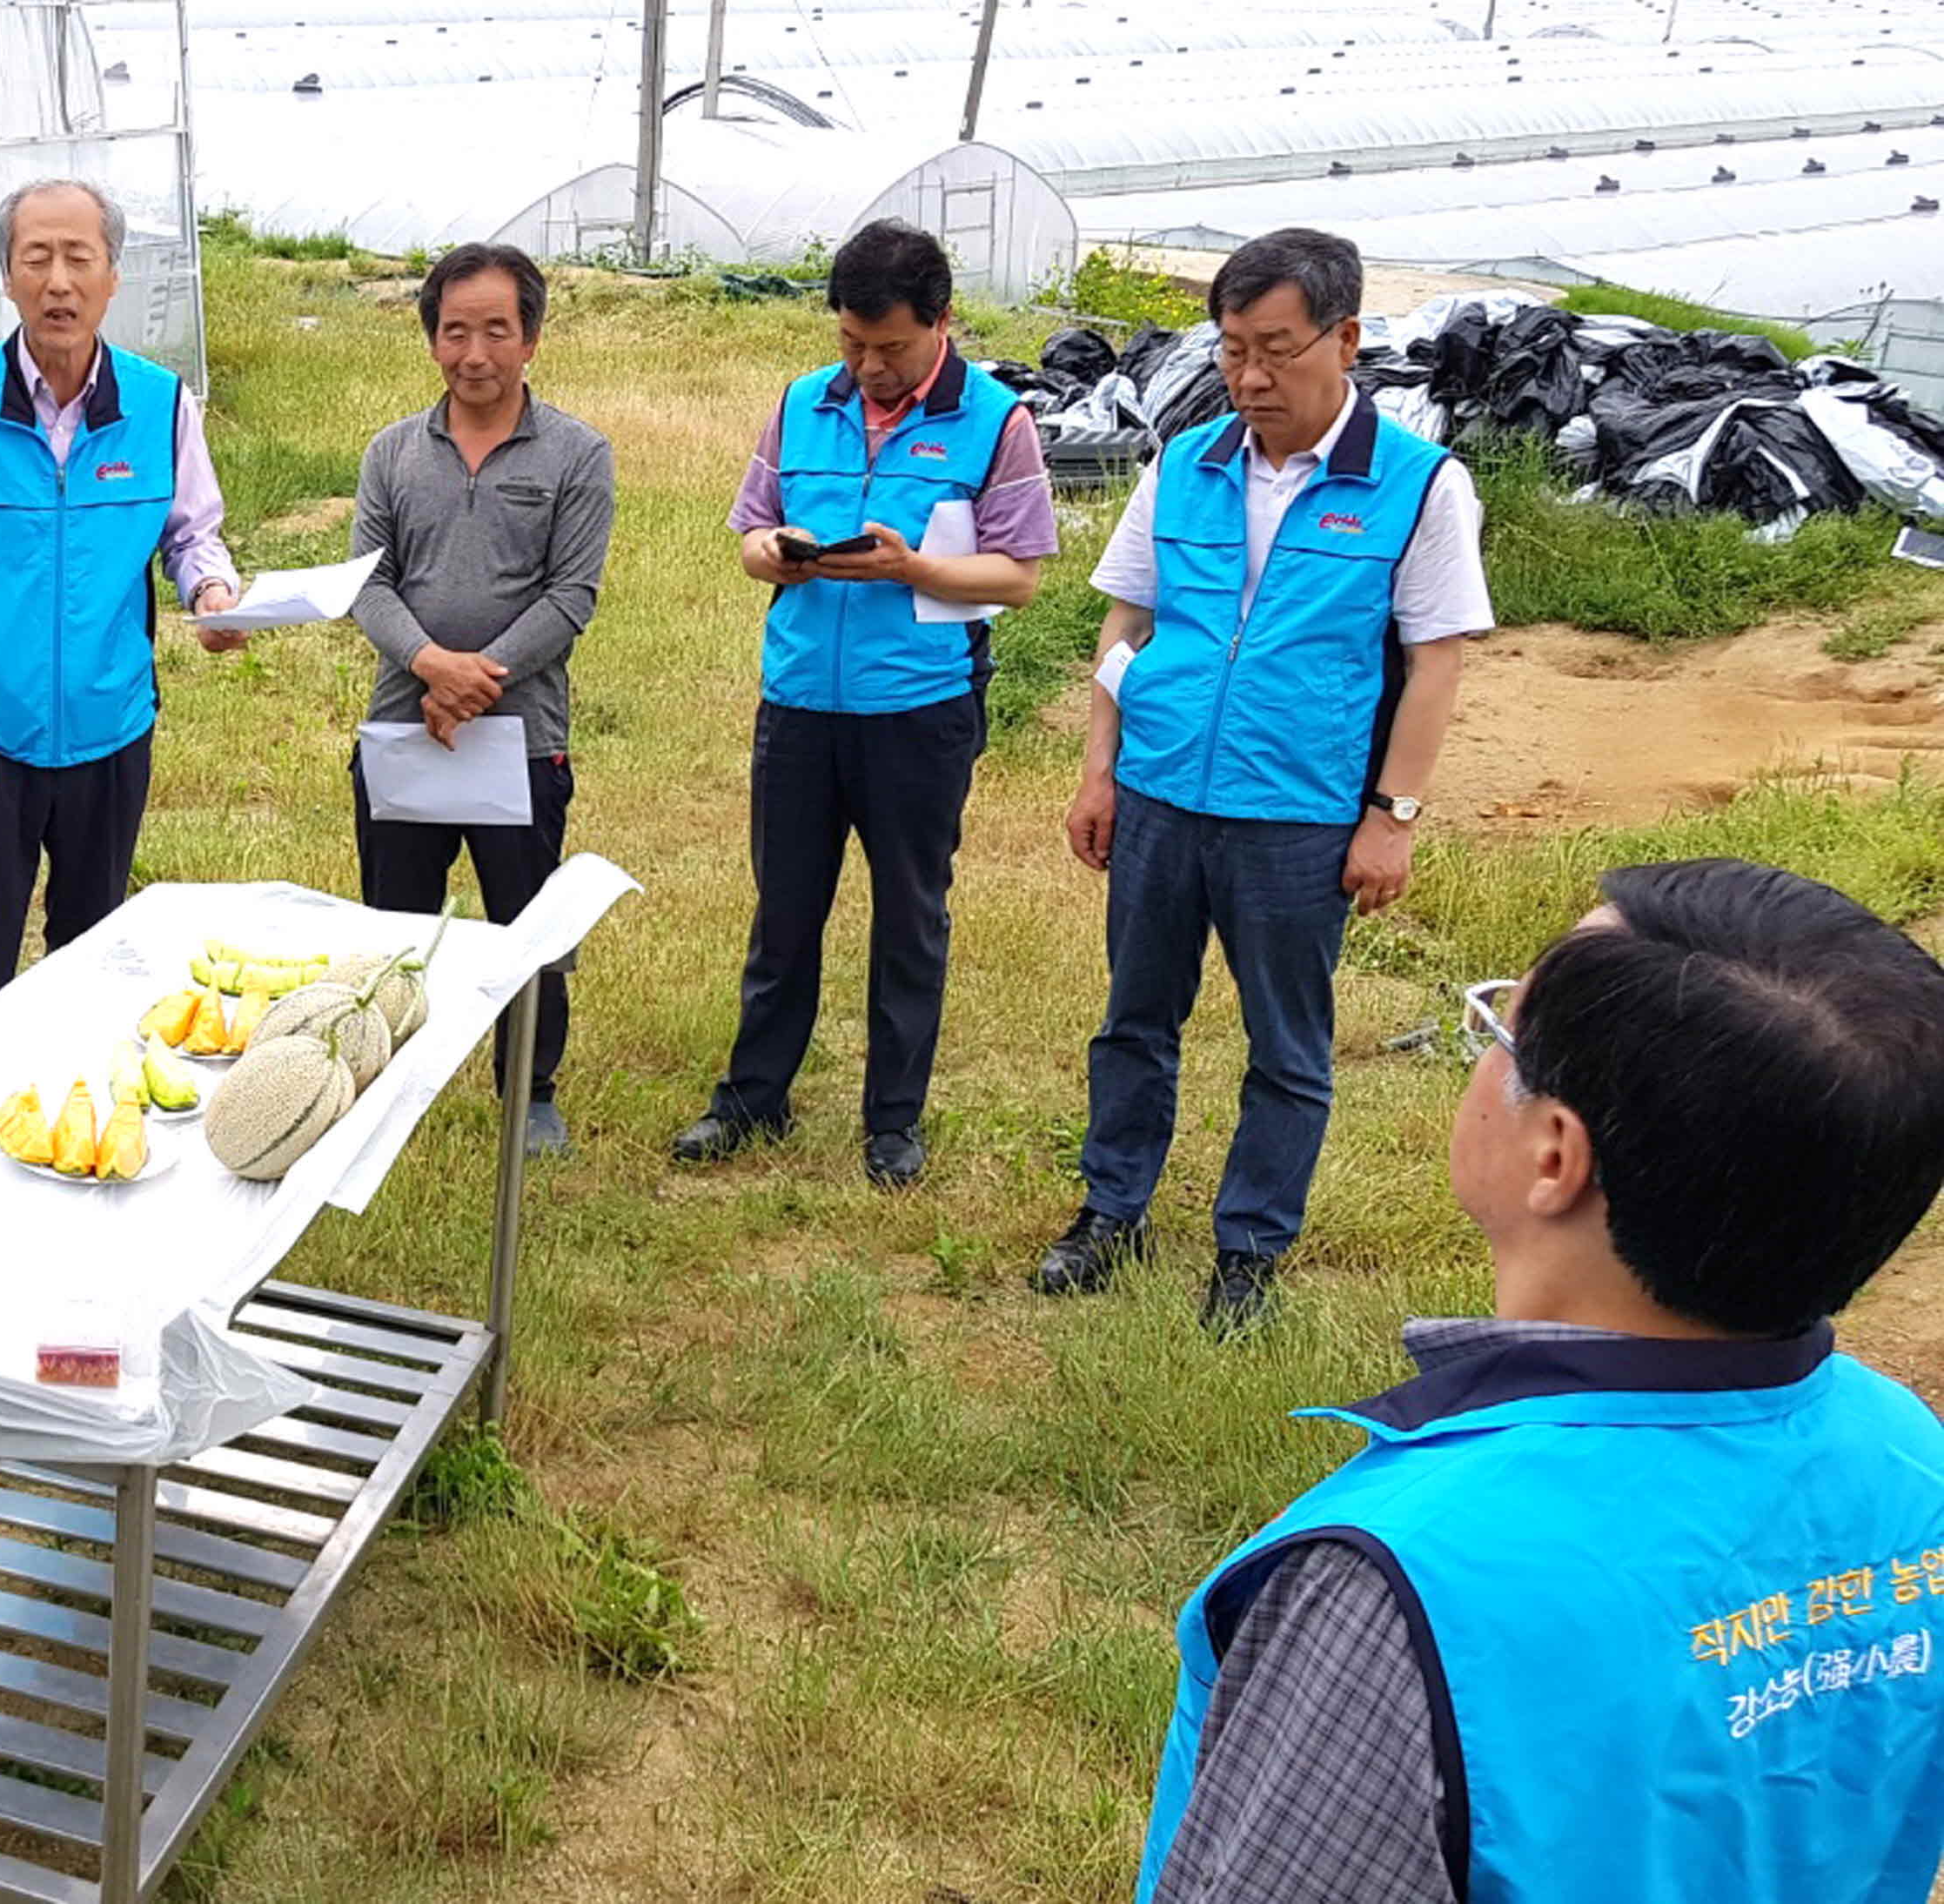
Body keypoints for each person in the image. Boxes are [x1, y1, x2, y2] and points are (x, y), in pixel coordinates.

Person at [1137, 859, 1944, 1904]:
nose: (1482, 1061)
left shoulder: (1396, 1584)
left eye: (1499, 1030)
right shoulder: (1906, 1457)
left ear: (1556, 1156)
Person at [1036, 227, 1487, 1336]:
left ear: (1344, 339)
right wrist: (1102, 769)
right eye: (1233, 348)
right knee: (1135, 1018)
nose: (1250, 377)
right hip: (1159, 796)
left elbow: (1435, 661)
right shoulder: (1183, 463)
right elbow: (1127, 621)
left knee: (1286, 1045)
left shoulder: (1419, 487)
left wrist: (1392, 818)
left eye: (1276, 350)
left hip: (1297, 816)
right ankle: (1110, 1210)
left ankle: (1249, 1252)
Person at [672, 219, 1052, 1190]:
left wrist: (915, 567)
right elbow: (752, 529)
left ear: (943, 324)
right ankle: (753, 1098)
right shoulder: (802, 404)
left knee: (910, 916)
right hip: (799, 699)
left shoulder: (995, 421)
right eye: (852, 343)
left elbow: (1016, 577)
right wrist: (768, 555)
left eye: (890, 347)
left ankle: (893, 1120)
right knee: (785, 909)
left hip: (919, 711)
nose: (870, 367)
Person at [0, 179, 244, 1056]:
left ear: (113, 277)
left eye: (80, 259)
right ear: (7, 277)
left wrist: (212, 595)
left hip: (113, 727)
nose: (59, 281)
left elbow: (194, 537)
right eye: (38, 259)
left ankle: (83, 1123)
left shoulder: (159, 403)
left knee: (97, 957)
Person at [345, 242, 612, 1158]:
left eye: (497, 329)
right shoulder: (391, 453)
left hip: (521, 741)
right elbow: (368, 586)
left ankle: (529, 1090)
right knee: (396, 924)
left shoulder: (577, 454)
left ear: (531, 338)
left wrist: (474, 678)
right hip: (402, 727)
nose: (476, 352)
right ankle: (385, 1085)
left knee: (524, 925)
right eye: (455, 331)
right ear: (431, 343)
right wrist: (428, 664)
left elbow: (570, 597)